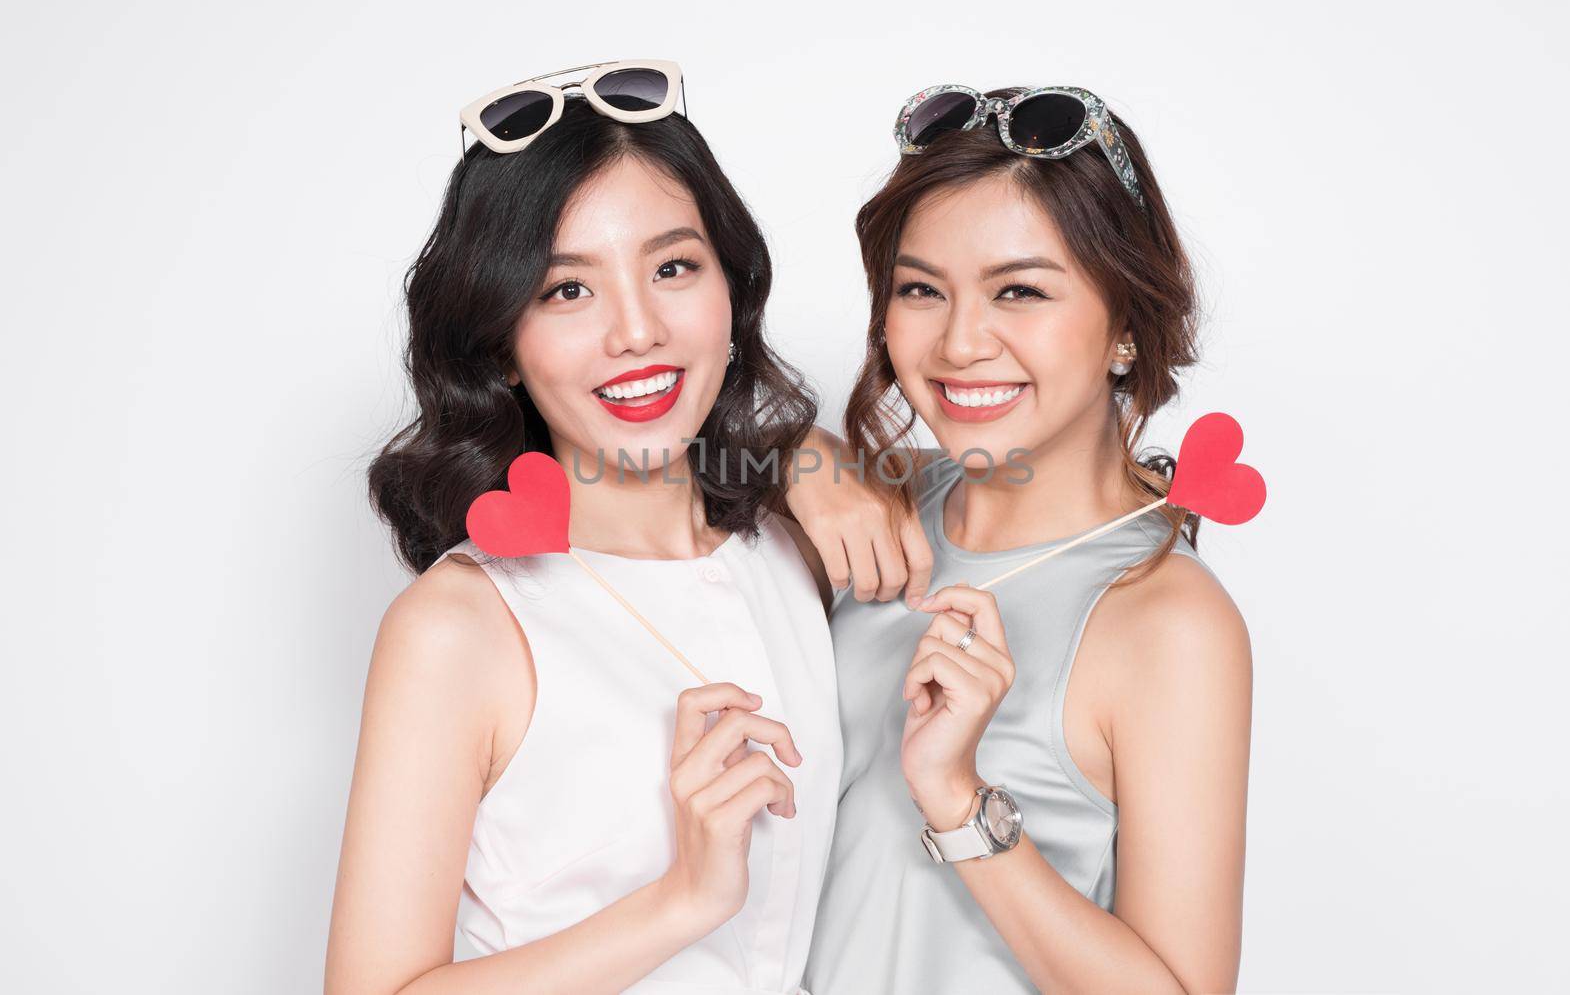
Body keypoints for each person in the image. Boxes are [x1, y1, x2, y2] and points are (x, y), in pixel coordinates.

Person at [325, 61, 921, 995]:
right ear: (501, 342)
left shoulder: (796, 548)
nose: (636, 330)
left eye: (673, 267)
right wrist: (683, 898)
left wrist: (810, 451)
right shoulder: (459, 627)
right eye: (568, 290)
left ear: (733, 291)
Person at [805, 85, 1253, 994]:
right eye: (922, 290)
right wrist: (795, 456)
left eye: (1019, 290)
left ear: (1126, 325)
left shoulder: (1165, 618)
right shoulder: (871, 504)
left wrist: (959, 801)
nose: (961, 342)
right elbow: (629, 450)